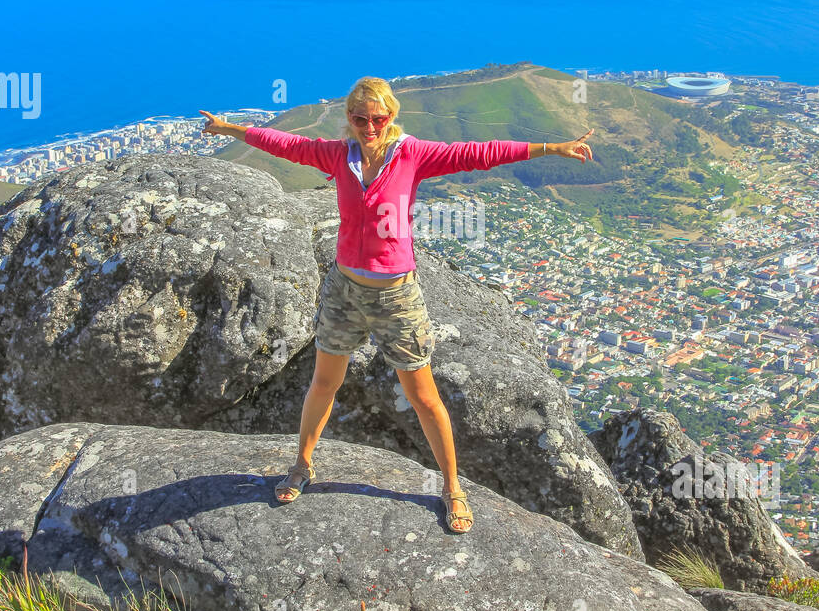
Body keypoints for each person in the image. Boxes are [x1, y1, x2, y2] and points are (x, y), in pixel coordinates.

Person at [200, 76, 593, 533]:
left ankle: (452, 488)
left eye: (379, 118)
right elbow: (286, 144)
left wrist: (550, 148)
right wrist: (230, 129)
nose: (370, 126)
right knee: (323, 383)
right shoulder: (336, 155)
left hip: (395, 294)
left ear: (392, 116)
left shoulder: (413, 154)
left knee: (423, 397)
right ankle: (303, 465)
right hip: (344, 288)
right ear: (349, 118)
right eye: (360, 118)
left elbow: (479, 153)